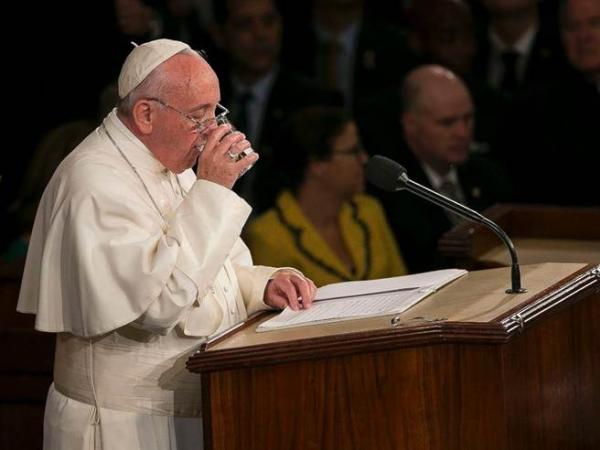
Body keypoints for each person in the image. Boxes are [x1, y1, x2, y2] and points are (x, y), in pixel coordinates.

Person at [17, 38, 317, 450]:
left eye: (216, 113)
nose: (213, 132)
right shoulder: (94, 181)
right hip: (122, 427)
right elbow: (157, 305)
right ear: (145, 114)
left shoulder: (170, 161)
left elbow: (216, 268)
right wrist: (214, 189)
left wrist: (263, 285)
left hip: (194, 409)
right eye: (199, 116)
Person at [245, 106, 407, 287]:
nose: (364, 159)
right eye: (353, 151)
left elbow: (403, 282)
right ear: (317, 164)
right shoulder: (267, 236)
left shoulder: (368, 210)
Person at [372, 65, 512, 272]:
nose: (462, 132)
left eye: (468, 118)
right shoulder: (391, 189)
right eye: (447, 123)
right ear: (410, 124)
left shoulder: (489, 175)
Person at [208, 0, 342, 210]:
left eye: (268, 22)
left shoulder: (314, 101)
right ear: (220, 35)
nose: (260, 34)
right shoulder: (204, 97)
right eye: (245, 24)